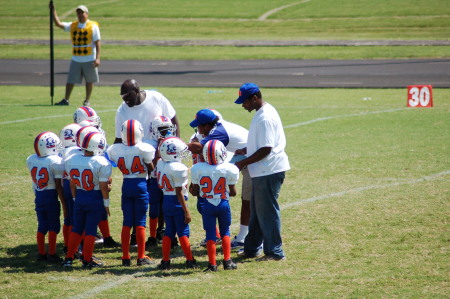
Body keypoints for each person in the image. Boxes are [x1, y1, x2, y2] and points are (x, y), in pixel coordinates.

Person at [114, 79, 180, 246]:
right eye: (122, 96)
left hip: (161, 153)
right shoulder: (122, 111)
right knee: (141, 198)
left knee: (164, 194)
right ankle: (137, 232)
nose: (125, 99)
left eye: (128, 95)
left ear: (137, 90)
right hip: (138, 160)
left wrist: (174, 146)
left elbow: (173, 121)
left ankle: (163, 230)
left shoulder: (156, 98)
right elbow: (118, 139)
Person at [233, 83, 290, 261]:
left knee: (267, 213)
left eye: (245, 101)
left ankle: (275, 252)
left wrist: (243, 162)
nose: (243, 105)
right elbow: (260, 144)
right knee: (257, 213)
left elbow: (266, 149)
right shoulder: (262, 112)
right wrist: (246, 149)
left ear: (255, 98)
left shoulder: (265, 117)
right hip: (262, 171)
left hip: (268, 171)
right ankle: (251, 249)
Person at [187, 108, 251, 249]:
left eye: (199, 125)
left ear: (208, 125)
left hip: (253, 161)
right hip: (244, 155)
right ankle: (236, 236)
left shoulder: (219, 133)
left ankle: (245, 238)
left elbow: (200, 149)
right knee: (246, 201)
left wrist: (176, 145)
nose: (198, 129)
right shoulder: (218, 128)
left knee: (249, 202)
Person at [107, 119, 156, 266]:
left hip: (126, 184)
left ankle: (125, 257)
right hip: (140, 184)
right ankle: (141, 256)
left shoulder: (114, 149)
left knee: (127, 222)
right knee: (140, 222)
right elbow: (151, 167)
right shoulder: (145, 148)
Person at [62, 132, 112, 268]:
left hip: (79, 196)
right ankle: (87, 259)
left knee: (77, 228)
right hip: (94, 198)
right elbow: (103, 187)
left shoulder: (72, 159)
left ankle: (69, 258)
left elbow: (72, 182)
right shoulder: (101, 162)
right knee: (90, 229)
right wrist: (106, 204)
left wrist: (74, 198)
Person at [190, 140, 239, 272]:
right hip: (223, 203)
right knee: (225, 232)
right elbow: (233, 193)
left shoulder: (197, 168)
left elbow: (194, 191)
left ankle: (212, 264)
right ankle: (227, 261)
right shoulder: (229, 168)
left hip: (207, 204)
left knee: (210, 234)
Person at [156, 137, 196, 270]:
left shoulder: (161, 163)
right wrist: (186, 211)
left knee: (169, 232)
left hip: (166, 200)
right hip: (177, 202)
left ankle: (165, 261)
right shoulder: (179, 168)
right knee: (183, 232)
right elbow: (179, 192)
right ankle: (190, 260)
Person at [50, 3, 101, 107]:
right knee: (70, 80)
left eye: (82, 13)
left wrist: (97, 58)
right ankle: (66, 99)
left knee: (89, 81)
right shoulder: (73, 25)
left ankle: (87, 100)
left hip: (89, 58)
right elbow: (58, 24)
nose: (80, 15)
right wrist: (53, 11)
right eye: (78, 13)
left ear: (87, 14)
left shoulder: (93, 26)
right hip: (76, 59)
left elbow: (97, 43)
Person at [26, 132, 66, 263]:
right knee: (54, 225)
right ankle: (52, 253)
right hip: (50, 196)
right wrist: (64, 202)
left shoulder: (31, 159)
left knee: (42, 225)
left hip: (39, 195)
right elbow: (59, 186)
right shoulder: (55, 161)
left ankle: (41, 253)